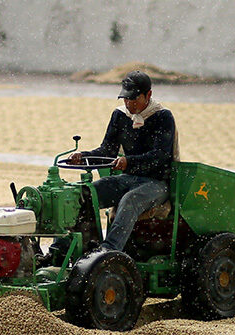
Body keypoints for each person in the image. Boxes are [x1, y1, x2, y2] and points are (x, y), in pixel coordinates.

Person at [47, 69, 178, 262]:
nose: (128, 104)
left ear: (148, 95)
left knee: (130, 200)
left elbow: (160, 156)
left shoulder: (163, 117)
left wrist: (129, 161)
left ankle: (108, 251)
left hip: (157, 183)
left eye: (134, 99)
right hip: (128, 178)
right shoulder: (120, 116)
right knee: (86, 194)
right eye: (125, 99)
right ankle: (66, 247)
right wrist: (84, 156)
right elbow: (107, 150)